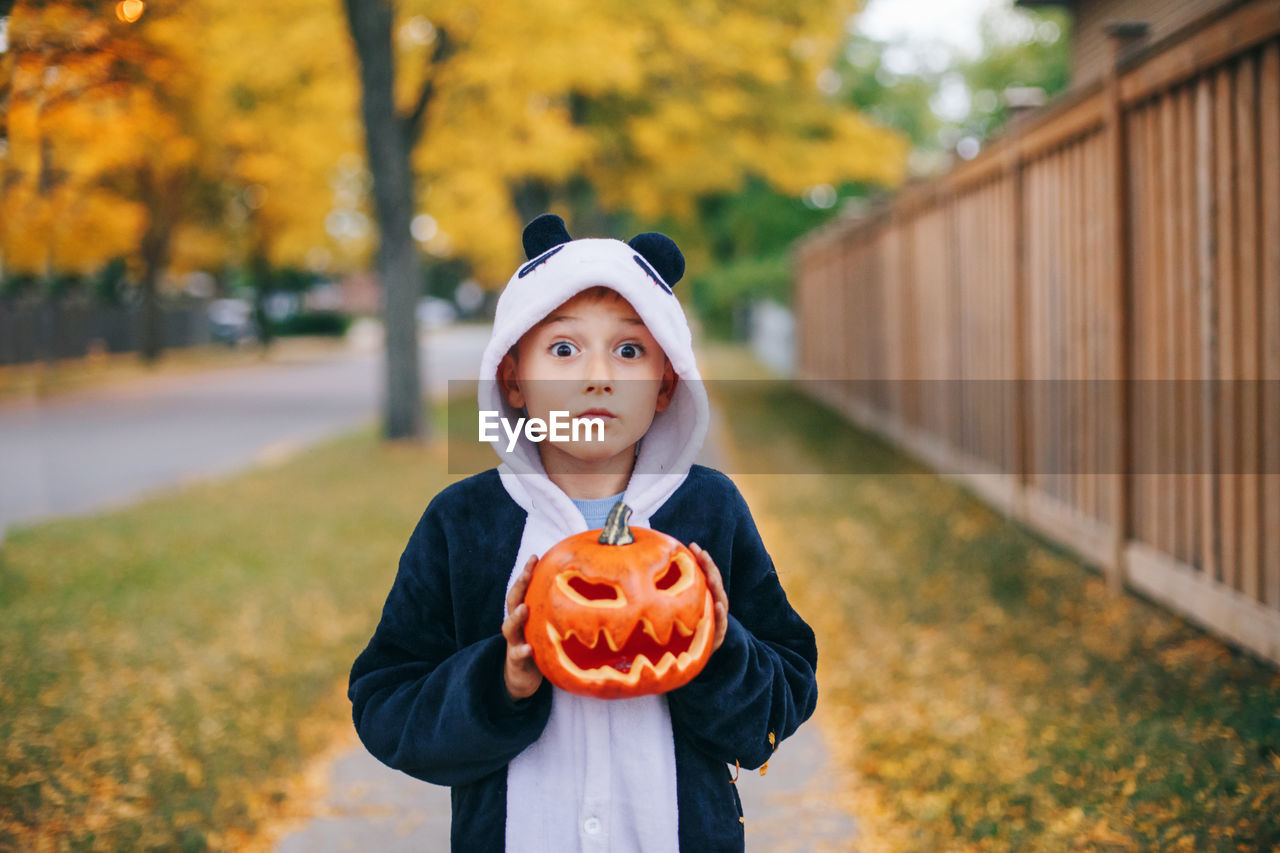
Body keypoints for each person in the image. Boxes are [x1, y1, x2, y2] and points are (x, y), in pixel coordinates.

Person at [349, 214, 818, 852]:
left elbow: (783, 699)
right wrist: (499, 683)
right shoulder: (462, 525)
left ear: (665, 383)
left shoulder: (710, 511)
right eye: (563, 349)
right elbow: (386, 704)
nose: (597, 375)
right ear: (513, 378)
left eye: (629, 350)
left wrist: (715, 648)